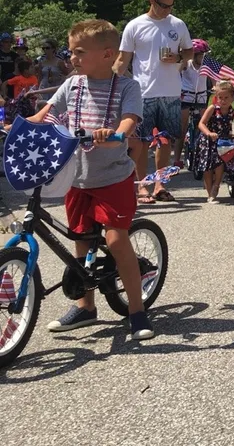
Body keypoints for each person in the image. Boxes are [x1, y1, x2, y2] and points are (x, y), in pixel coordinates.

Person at [30, 19, 154, 340]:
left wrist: (116, 134)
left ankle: (137, 311)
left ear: (106, 54)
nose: (71, 57)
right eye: (71, 52)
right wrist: (19, 126)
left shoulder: (127, 86)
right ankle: (86, 307)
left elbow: (129, 119)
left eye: (79, 52)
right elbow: (44, 115)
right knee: (81, 239)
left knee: (115, 241)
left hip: (113, 178)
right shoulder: (72, 85)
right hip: (78, 177)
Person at [115, 0, 193, 205]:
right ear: (151, 0)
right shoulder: (135, 25)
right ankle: (142, 187)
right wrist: (110, 86)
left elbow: (189, 51)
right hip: (143, 92)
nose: (167, 10)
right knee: (139, 142)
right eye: (163, 5)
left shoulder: (177, 24)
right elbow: (123, 59)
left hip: (170, 92)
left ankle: (160, 185)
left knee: (165, 140)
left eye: (170, 6)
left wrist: (178, 58)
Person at [194, 80, 234, 203]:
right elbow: (201, 124)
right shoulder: (212, 109)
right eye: (220, 97)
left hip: (224, 142)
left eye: (226, 97)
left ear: (232, 98)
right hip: (209, 141)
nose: (223, 100)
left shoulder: (232, 112)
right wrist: (209, 133)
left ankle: (216, 187)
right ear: (216, 97)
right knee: (208, 169)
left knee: (220, 165)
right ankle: (210, 194)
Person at [176, 39, 212, 166]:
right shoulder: (187, 64)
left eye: (204, 55)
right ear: (194, 55)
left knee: (205, 125)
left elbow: (214, 80)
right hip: (186, 97)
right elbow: (176, 73)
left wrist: (217, 89)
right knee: (182, 128)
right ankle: (177, 159)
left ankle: (205, 154)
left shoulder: (207, 65)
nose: (203, 58)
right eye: (201, 55)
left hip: (201, 98)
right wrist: (184, 60)